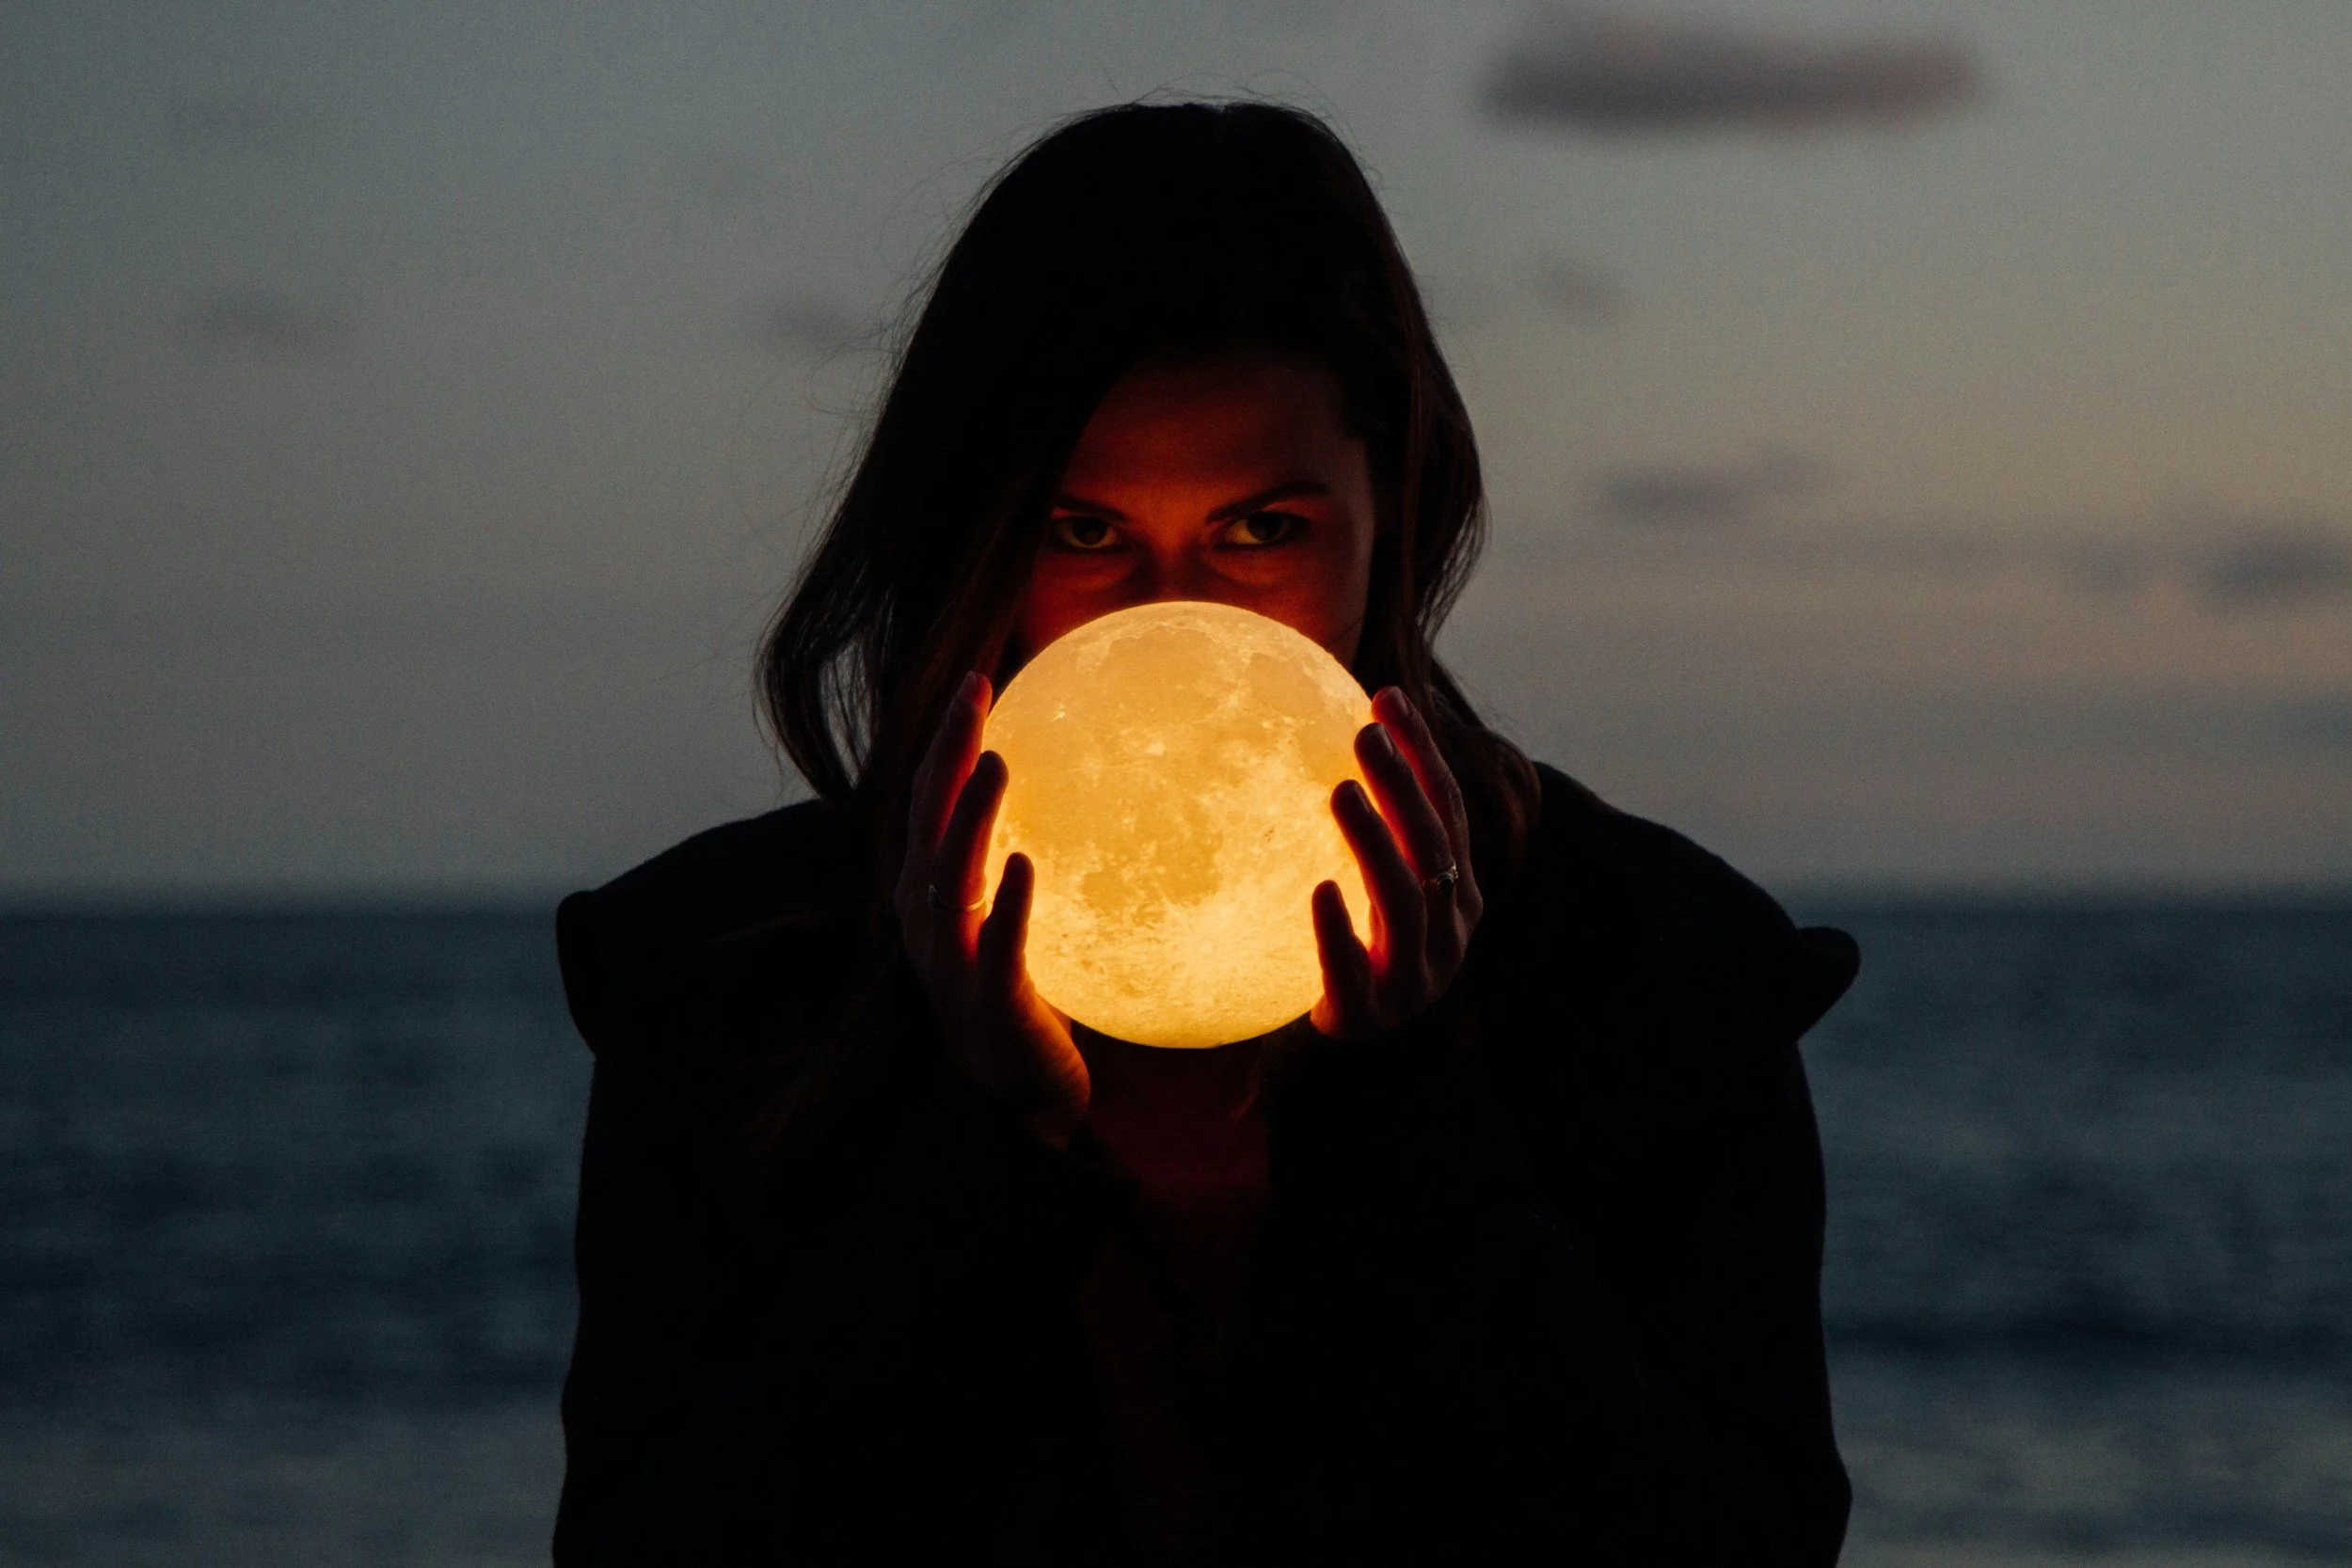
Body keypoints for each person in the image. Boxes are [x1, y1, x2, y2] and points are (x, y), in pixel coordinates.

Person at [550, 101, 1857, 1566]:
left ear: (1393, 515)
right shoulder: (730, 984)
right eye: (1085, 532)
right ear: (972, 531)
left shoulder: (1655, 974)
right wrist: (982, 1147)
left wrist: (1407, 1107)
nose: (1174, 631)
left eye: (1262, 532)